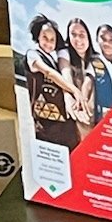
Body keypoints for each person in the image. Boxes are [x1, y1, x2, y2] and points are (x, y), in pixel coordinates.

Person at [25, 15, 86, 148]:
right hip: (45, 122)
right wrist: (74, 90)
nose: (49, 42)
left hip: (64, 123)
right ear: (37, 37)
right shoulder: (33, 55)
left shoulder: (54, 59)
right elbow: (49, 73)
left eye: (52, 39)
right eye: (45, 37)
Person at [65, 18, 98, 126]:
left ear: (88, 37)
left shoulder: (97, 59)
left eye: (82, 35)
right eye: (73, 34)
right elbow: (65, 76)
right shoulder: (65, 55)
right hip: (74, 117)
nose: (78, 39)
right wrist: (68, 96)